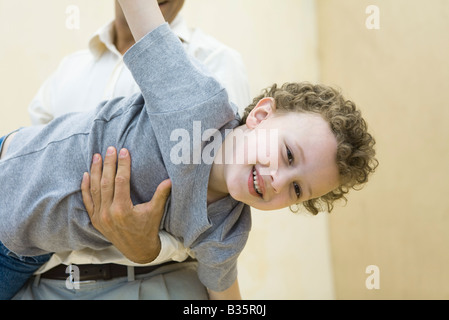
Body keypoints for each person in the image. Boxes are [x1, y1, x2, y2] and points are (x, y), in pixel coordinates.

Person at [0, 0, 378, 300]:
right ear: (261, 115)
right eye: (289, 155)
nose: (278, 180)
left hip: (16, 251)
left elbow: (225, 293)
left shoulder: (226, 230)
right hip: (9, 165)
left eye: (297, 189)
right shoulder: (194, 98)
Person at [18, 0, 251, 300]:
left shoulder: (216, 62)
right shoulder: (70, 68)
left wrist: (152, 247)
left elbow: (221, 208)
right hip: (46, 284)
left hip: (156, 283)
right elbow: (33, 176)